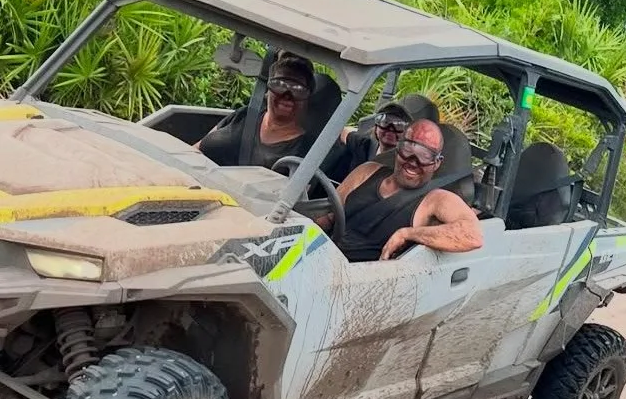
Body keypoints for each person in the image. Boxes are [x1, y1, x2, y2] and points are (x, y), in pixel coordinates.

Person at [324, 117, 482, 263]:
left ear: (437, 163)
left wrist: (408, 234)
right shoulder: (367, 172)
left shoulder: (436, 199)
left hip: (366, 281)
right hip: (323, 258)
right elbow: (328, 213)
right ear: (398, 148)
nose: (413, 162)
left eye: (424, 155)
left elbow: (472, 235)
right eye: (408, 149)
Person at [197, 52, 347, 176]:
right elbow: (195, 150)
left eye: (297, 89)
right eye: (280, 85)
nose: (287, 95)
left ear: (308, 98)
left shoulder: (311, 151)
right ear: (267, 90)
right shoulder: (246, 115)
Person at [338, 92, 441, 174]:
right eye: (385, 121)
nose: (390, 129)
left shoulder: (408, 167)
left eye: (399, 125)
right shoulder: (363, 145)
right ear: (376, 127)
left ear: (409, 134)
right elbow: (341, 132)